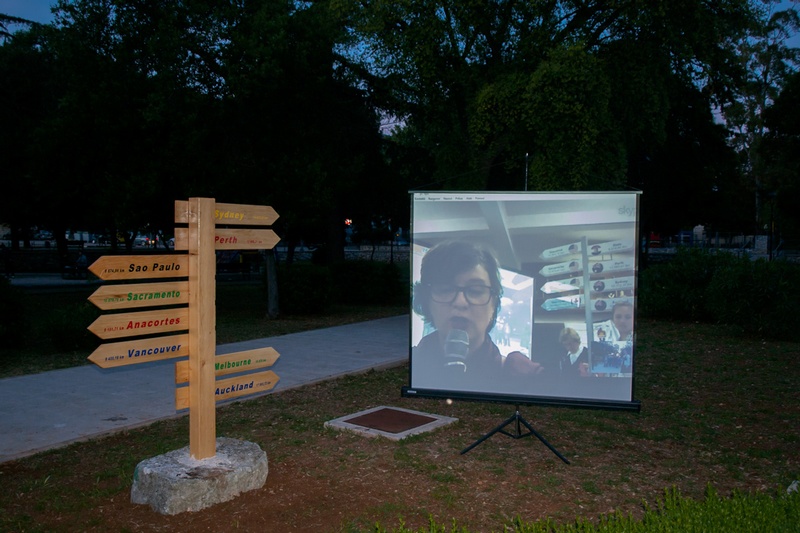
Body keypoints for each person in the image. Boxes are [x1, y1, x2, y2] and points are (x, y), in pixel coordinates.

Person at [411, 241, 540, 392]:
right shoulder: (407, 366)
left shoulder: (523, 378)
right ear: (427, 301)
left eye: (475, 290)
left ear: (494, 304)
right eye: (445, 289)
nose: (460, 302)